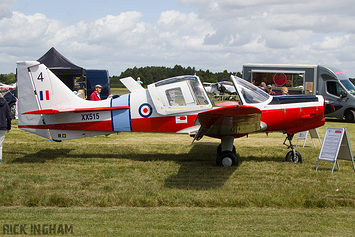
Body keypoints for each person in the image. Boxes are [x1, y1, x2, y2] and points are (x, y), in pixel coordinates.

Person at [0, 93, 11, 164]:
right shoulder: (5, 104)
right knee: (0, 145)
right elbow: (9, 117)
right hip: (3, 126)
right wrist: (9, 127)